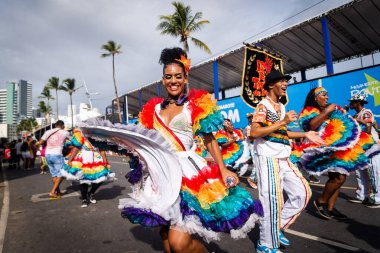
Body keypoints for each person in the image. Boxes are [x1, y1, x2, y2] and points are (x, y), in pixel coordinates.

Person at [81, 48, 263, 253]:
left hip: (188, 174)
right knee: (166, 237)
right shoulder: (153, 110)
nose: (173, 81)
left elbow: (210, 139)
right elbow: (144, 142)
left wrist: (223, 169)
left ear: (185, 78)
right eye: (168, 77)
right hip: (160, 176)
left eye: (178, 76)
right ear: (162, 80)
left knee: (179, 242)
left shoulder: (195, 105)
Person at [250, 70, 323, 252]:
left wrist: (305, 133)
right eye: (281, 81)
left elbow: (283, 133)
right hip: (268, 157)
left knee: (303, 192)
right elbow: (254, 132)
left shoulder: (280, 106)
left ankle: (277, 227)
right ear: (270, 85)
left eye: (285, 81)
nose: (285, 84)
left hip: (284, 157)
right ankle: (266, 244)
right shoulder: (263, 106)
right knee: (272, 201)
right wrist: (283, 121)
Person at [294, 87, 376, 220]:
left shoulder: (333, 110)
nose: (327, 97)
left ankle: (330, 208)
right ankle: (320, 202)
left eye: (327, 95)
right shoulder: (308, 111)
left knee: (338, 176)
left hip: (337, 148)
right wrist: (327, 111)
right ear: (315, 98)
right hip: (321, 147)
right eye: (323, 95)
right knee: (339, 178)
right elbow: (311, 126)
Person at [60, 129, 114, 208]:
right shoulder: (81, 136)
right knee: (84, 180)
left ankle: (91, 193)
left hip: (96, 159)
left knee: (101, 178)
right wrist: (70, 159)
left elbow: (102, 150)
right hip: (84, 159)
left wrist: (105, 160)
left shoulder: (98, 137)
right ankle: (84, 199)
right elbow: (76, 148)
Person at [347, 94, 380, 208]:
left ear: (358, 103)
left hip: (371, 147)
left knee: (374, 171)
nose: (351, 104)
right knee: (359, 172)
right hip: (361, 148)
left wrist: (358, 120)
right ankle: (363, 195)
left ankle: (377, 198)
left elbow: (369, 129)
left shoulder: (366, 112)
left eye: (352, 102)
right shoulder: (356, 114)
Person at [36, 120, 69, 199]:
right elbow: (72, 141)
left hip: (48, 155)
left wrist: (35, 146)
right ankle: (53, 191)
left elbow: (40, 142)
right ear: (62, 125)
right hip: (57, 154)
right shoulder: (65, 132)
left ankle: (57, 192)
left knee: (54, 174)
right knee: (62, 173)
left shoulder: (48, 131)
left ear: (55, 125)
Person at [245, 113, 258, 189]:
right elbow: (250, 137)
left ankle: (256, 179)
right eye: (250, 118)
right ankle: (251, 179)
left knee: (261, 164)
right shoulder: (248, 127)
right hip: (253, 147)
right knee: (256, 164)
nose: (251, 119)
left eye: (252, 117)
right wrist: (260, 134)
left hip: (259, 147)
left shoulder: (257, 126)